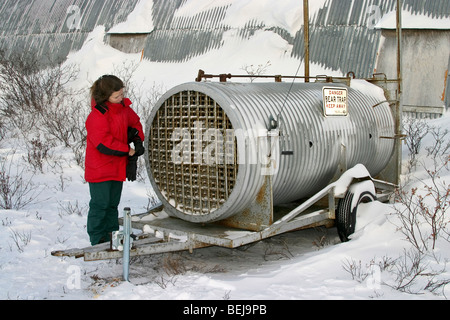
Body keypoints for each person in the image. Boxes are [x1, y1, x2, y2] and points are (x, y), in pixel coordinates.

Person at [85, 75, 145, 246]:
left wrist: (138, 139)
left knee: (112, 205)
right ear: (105, 97)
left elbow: (135, 123)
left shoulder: (123, 108)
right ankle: (97, 239)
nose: (121, 98)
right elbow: (104, 143)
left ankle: (112, 235)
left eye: (121, 94)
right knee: (100, 205)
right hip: (100, 169)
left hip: (117, 167)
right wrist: (128, 150)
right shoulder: (97, 116)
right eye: (116, 96)